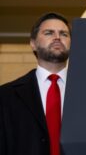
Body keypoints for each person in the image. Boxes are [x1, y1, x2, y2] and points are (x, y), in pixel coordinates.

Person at [0, 12, 71, 155]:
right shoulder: (5, 96)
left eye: (64, 34)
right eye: (49, 33)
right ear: (33, 44)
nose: (57, 37)